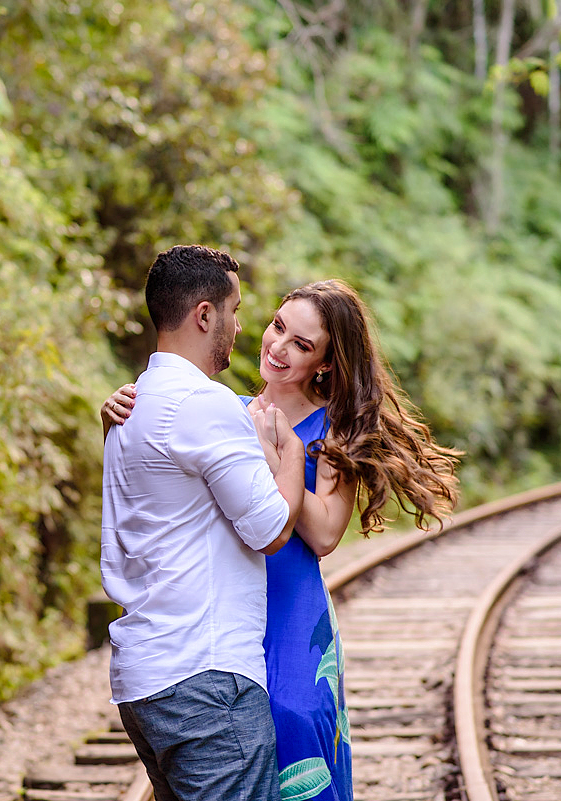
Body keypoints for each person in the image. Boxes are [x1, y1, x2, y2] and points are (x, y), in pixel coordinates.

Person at [103, 278, 461, 801]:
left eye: (301, 344)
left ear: (325, 364)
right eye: (277, 327)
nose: (278, 347)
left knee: (295, 718)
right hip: (219, 603)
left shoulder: (333, 427)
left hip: (289, 604)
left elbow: (327, 532)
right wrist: (117, 418)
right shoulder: (224, 409)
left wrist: (283, 459)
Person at [101, 245, 308, 801]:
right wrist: (290, 452)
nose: (240, 326)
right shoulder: (205, 404)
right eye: (234, 310)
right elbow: (272, 531)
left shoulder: (129, 406)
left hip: (145, 680)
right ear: (204, 314)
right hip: (205, 676)